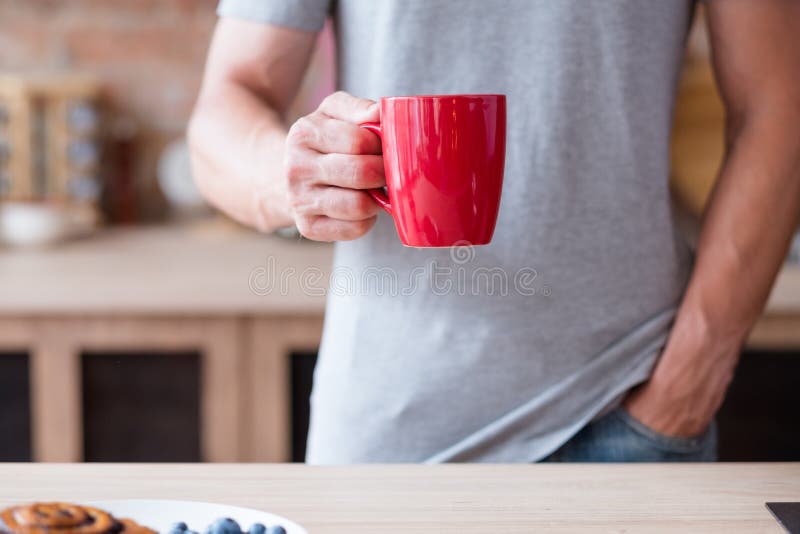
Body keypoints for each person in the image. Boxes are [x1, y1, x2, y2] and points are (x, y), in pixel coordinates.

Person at [189, 1, 800, 463]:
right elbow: (227, 103)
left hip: (630, 407)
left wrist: (687, 387)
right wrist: (293, 176)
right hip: (388, 432)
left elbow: (778, 107)